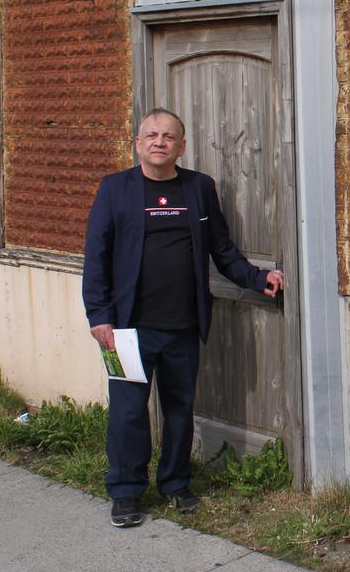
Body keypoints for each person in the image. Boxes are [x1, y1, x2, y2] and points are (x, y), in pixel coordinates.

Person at [82, 107, 283, 528]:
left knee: (179, 409)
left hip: (184, 325)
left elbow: (221, 249)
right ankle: (126, 492)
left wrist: (257, 277)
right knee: (127, 413)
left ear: (182, 146)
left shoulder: (198, 188)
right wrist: (98, 317)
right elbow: (96, 259)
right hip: (125, 329)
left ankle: (175, 483)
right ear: (138, 143)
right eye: (151, 135)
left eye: (169, 136)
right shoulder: (114, 190)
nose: (159, 141)